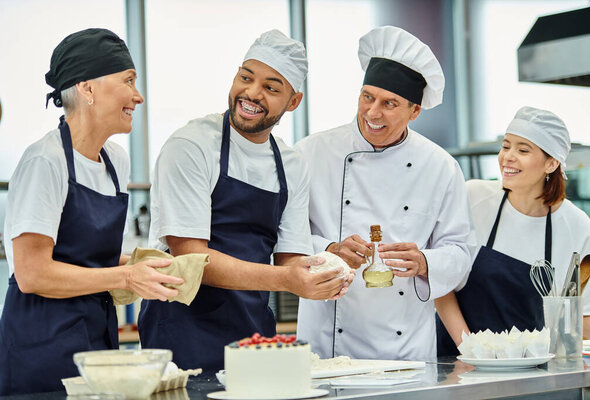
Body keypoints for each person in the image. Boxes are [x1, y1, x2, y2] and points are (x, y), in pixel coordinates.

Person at [138, 29, 352, 374]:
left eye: (271, 87)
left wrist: (327, 265)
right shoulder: (191, 145)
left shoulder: (291, 163)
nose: (251, 93)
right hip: (181, 329)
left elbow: (289, 259)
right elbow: (190, 255)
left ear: (293, 101)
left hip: (253, 331)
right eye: (246, 77)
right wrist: (287, 279)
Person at [0, 28, 184, 395]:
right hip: (41, 346)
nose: (138, 95)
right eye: (128, 81)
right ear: (87, 89)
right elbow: (33, 274)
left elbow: (84, 257)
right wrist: (126, 278)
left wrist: (142, 264)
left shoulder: (116, 161)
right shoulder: (45, 161)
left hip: (97, 339)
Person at [294, 25, 473, 362]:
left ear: (414, 111)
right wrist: (329, 250)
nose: (373, 113)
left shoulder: (440, 167)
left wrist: (423, 261)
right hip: (327, 344)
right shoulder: (310, 153)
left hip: (404, 351)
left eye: (389, 103)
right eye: (367, 97)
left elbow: (460, 253)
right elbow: (283, 237)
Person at [436, 106, 590, 355]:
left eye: (523, 150)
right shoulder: (472, 197)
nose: (508, 157)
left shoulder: (576, 224)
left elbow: (584, 317)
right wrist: (471, 350)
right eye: (506, 146)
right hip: (458, 361)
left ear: (551, 163)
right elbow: (442, 282)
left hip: (532, 371)